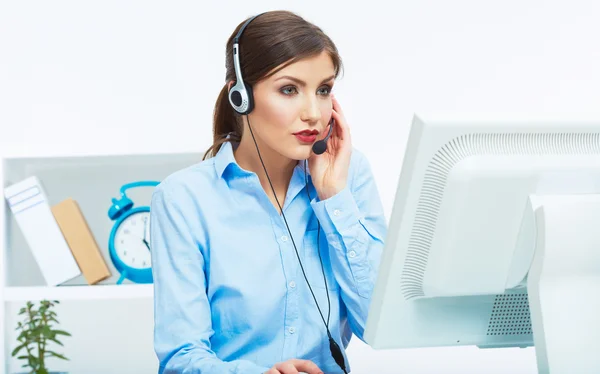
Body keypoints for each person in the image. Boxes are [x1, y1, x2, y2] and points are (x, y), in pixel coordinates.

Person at [149, 10, 387, 374]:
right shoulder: (184, 198)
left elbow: (379, 325)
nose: (313, 113)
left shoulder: (349, 176)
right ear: (241, 97)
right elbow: (181, 357)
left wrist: (334, 199)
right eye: (289, 90)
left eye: (323, 90)